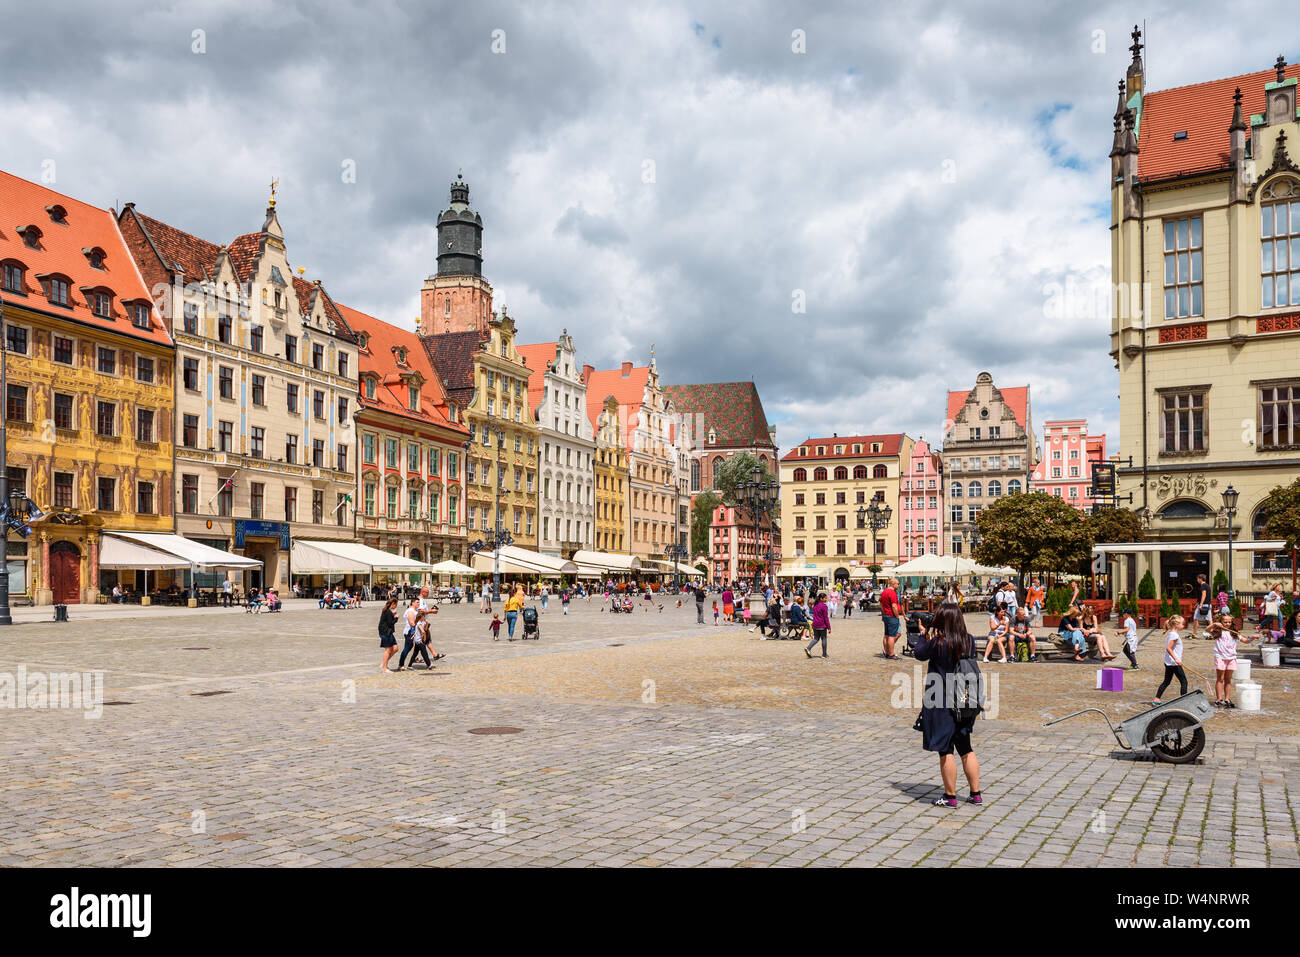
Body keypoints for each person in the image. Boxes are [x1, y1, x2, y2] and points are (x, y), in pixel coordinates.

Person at [914, 603, 983, 808]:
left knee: (945, 751)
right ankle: (975, 794)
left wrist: (922, 634)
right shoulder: (968, 640)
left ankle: (950, 796)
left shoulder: (938, 642)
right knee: (966, 748)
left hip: (941, 701)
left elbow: (919, 653)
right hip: (964, 700)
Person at [1211, 614, 1252, 707]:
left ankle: (1227, 699)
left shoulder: (1234, 633)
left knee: (1228, 679)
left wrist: (1252, 638)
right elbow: (1207, 630)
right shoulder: (1217, 631)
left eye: (1229, 622)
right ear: (1221, 622)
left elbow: (1245, 640)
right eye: (1225, 622)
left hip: (1231, 658)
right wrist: (1215, 624)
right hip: (1220, 657)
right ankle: (1218, 699)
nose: (1227, 624)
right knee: (1220, 678)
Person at [1153, 615, 1187, 705]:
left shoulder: (1171, 634)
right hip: (1174, 663)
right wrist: (1176, 659)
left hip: (1169, 662)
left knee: (1167, 681)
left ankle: (1157, 699)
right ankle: (1184, 702)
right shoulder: (1174, 635)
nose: (1183, 626)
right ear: (1176, 624)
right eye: (1182, 624)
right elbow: (1169, 648)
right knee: (1184, 682)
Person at [880, 578, 903, 660]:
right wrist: (897, 616)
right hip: (892, 616)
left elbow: (881, 603)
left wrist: (884, 611)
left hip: (886, 615)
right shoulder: (892, 593)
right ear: (893, 584)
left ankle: (886, 652)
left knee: (886, 635)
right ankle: (891, 654)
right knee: (892, 636)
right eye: (898, 583)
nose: (899, 585)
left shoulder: (884, 592)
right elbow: (894, 606)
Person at [805, 592, 831, 658]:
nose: (826, 599)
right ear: (821, 599)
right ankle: (824, 654)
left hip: (815, 624)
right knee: (824, 639)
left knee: (816, 638)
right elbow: (826, 618)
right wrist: (829, 627)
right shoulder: (824, 606)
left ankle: (808, 648)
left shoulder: (815, 606)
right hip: (822, 625)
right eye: (825, 598)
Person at [379, 598, 400, 673]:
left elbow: (389, 620)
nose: (396, 606)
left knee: (395, 648)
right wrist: (396, 618)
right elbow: (390, 623)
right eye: (396, 604)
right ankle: (384, 668)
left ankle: (384, 663)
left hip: (388, 632)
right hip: (385, 632)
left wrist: (393, 615)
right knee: (388, 650)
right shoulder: (387, 611)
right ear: (393, 604)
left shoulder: (388, 611)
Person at [1191, 574, 1211, 638]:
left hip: (1203, 605)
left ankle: (1194, 634)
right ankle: (1213, 634)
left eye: (1197, 579)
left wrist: (1201, 604)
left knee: (1195, 618)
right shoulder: (1207, 585)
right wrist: (1198, 603)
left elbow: (1204, 595)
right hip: (1208, 605)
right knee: (1209, 620)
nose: (1197, 580)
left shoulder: (1203, 586)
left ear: (1200, 579)